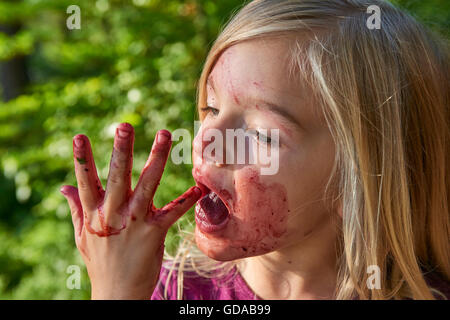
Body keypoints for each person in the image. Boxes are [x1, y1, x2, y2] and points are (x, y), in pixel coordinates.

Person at [61, 0, 450, 300]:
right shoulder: (170, 288)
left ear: (359, 178)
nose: (206, 140)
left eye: (263, 135)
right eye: (211, 108)